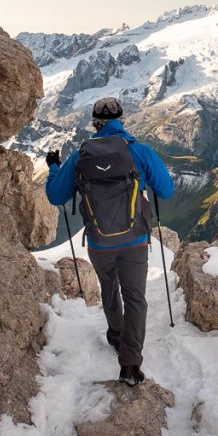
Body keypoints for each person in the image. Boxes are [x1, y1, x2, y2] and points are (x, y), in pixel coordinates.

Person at [45, 97, 174, 386]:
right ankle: (130, 363)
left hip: (99, 242)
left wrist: (54, 167)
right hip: (135, 240)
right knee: (136, 298)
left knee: (109, 288)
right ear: (122, 121)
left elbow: (56, 196)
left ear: (95, 124)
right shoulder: (139, 151)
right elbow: (166, 190)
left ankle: (116, 336)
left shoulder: (81, 156)